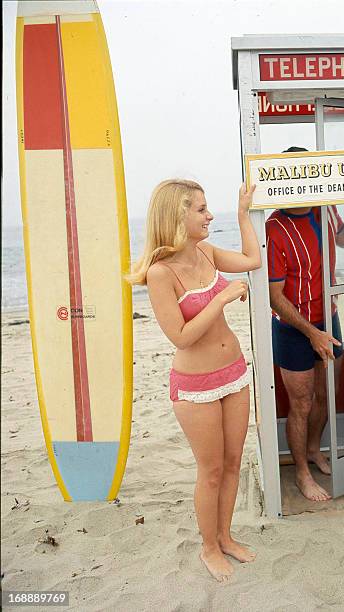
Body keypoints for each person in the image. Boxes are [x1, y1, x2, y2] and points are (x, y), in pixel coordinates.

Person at [128, 179, 261, 581]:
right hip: (196, 386)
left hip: (234, 373)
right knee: (213, 470)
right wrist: (221, 298)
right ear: (177, 215)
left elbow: (253, 260)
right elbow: (181, 337)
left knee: (234, 462)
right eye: (201, 209)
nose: (208, 216)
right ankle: (208, 547)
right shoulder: (159, 273)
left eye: (208, 208)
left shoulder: (206, 251)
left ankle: (225, 536)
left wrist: (243, 215)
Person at [267, 146, 344, 502]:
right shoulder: (273, 228)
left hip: (329, 317)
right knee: (302, 403)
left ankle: (312, 450)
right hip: (293, 327)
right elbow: (275, 297)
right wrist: (312, 333)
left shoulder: (325, 207)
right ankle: (302, 475)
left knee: (325, 396)